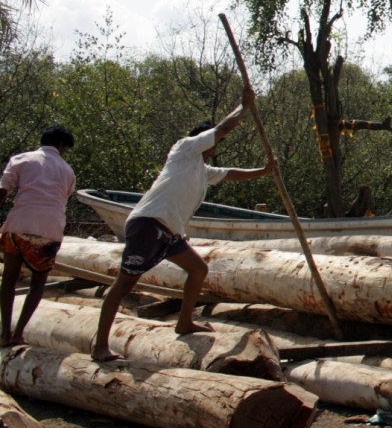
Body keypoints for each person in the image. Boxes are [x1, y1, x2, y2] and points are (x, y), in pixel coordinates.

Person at [91, 89, 274, 361]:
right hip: (148, 224)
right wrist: (244, 107)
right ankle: (100, 346)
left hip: (170, 234)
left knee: (198, 269)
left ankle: (185, 322)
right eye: (214, 142)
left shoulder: (202, 170)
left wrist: (264, 171)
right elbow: (223, 128)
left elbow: (231, 174)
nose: (215, 147)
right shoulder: (184, 149)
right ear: (204, 139)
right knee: (124, 284)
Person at [0, 126, 76, 347]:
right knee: (38, 282)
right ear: (61, 146)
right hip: (49, 230)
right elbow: (63, 197)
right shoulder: (67, 170)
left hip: (19, 225)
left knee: (9, 278)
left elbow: (3, 190)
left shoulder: (21, 159)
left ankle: (4, 333)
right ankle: (18, 334)